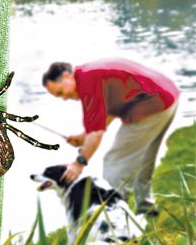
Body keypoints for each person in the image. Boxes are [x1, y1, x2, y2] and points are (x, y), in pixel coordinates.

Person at [42, 58, 180, 215]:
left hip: (152, 103)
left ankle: (114, 215)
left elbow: (96, 133)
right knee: (144, 157)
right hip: (167, 96)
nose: (64, 98)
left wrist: (79, 163)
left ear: (67, 76)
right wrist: (83, 137)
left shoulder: (88, 83)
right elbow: (105, 115)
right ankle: (146, 207)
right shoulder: (88, 74)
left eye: (61, 92)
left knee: (114, 161)